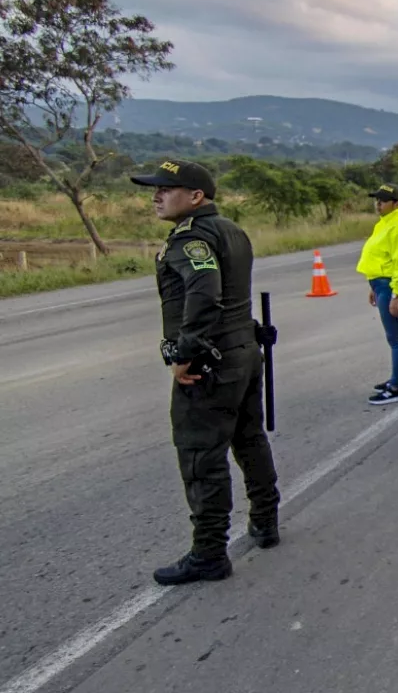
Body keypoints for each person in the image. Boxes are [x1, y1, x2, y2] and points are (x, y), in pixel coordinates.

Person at [132, 159, 281, 586]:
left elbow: (204, 293)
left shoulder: (191, 238)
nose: (156, 196)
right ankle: (265, 520)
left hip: (211, 361)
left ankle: (209, 553)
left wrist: (184, 352)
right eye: (154, 189)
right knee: (249, 439)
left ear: (196, 196)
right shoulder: (232, 230)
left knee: (201, 455)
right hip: (244, 351)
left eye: (166, 188)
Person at [357, 183, 398, 405]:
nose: (378, 204)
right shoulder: (385, 224)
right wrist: (374, 287)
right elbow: (381, 260)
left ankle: (396, 388)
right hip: (383, 285)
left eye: (382, 201)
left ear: (397, 203)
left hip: (394, 287)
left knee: (397, 339)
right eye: (377, 200)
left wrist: (397, 295)